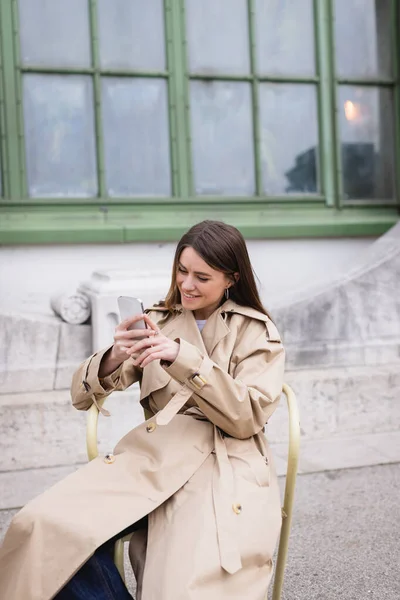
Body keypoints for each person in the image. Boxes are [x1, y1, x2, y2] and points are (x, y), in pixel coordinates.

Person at [0, 220, 285, 600]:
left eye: (202, 276)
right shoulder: (161, 320)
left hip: (224, 463)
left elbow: (247, 417)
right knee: (43, 529)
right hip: (152, 458)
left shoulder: (255, 332)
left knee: (181, 581)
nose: (186, 284)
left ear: (231, 278)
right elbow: (81, 396)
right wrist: (115, 355)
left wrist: (183, 357)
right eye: (182, 271)